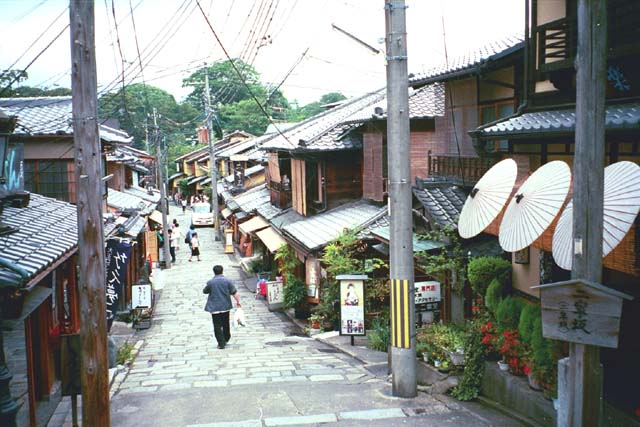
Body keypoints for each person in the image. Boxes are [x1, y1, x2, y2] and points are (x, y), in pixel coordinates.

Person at [203, 265, 241, 349]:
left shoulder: (211, 282)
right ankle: (226, 337)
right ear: (222, 271)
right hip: (225, 306)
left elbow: (205, 291)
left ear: (214, 272)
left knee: (217, 325)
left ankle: (221, 342)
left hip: (214, 307)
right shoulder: (227, 281)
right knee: (225, 323)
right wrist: (238, 302)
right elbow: (234, 292)